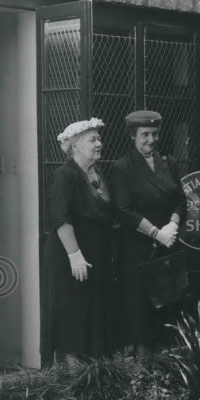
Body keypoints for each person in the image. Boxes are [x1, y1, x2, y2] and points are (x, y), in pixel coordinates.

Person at [111, 110, 187, 352]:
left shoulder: (169, 162)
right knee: (140, 309)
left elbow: (180, 200)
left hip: (168, 244)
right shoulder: (122, 167)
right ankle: (143, 369)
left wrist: (173, 224)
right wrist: (155, 232)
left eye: (155, 134)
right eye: (145, 135)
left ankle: (169, 362)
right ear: (133, 136)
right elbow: (124, 210)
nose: (151, 140)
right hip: (139, 249)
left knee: (170, 305)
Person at [42, 118, 116, 365]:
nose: (99, 143)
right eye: (92, 140)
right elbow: (60, 218)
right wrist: (75, 256)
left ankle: (93, 378)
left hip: (95, 254)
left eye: (98, 138)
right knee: (72, 314)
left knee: (92, 311)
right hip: (69, 257)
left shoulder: (98, 173)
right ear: (74, 146)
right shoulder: (65, 175)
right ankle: (71, 380)